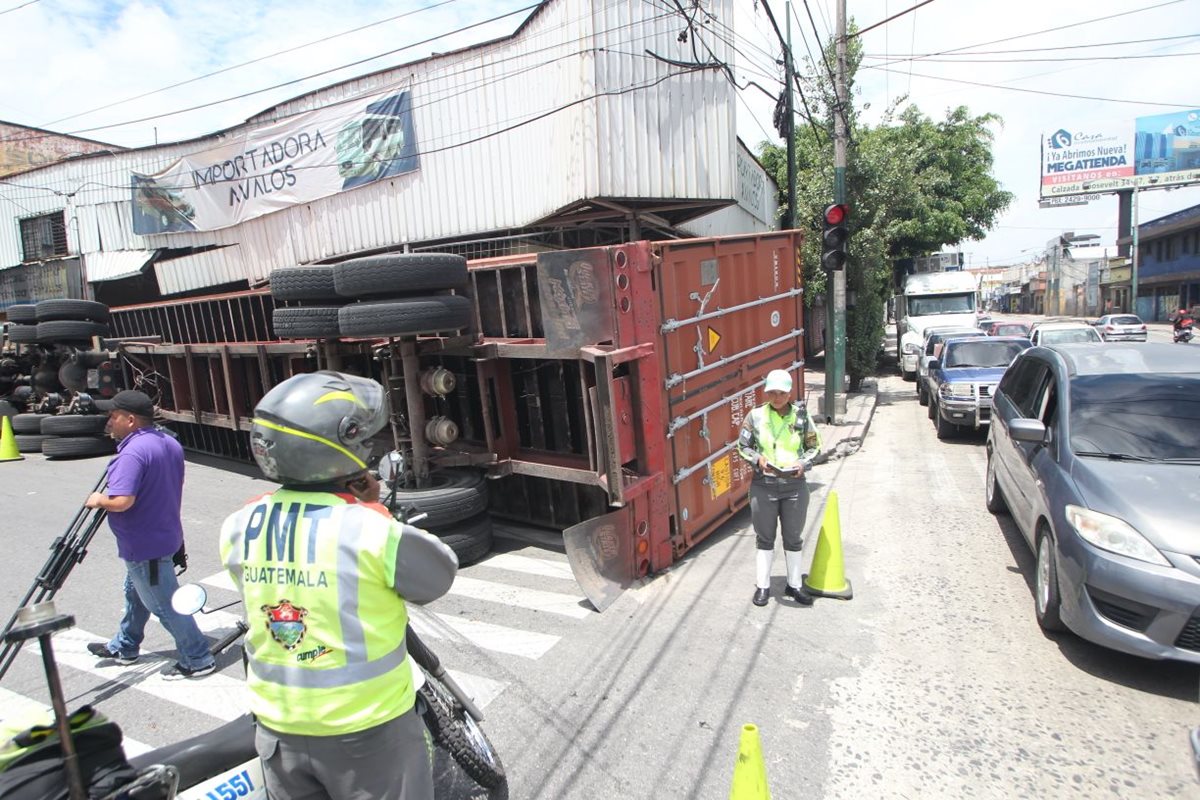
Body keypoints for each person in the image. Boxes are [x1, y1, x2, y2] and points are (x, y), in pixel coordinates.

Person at [219, 371, 458, 800]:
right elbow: (437, 577)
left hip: (278, 729)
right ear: (337, 444)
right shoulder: (366, 529)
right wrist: (374, 509)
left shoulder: (240, 523)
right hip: (368, 731)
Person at [84, 390, 215, 679]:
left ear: (130, 420)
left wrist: (99, 499)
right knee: (136, 595)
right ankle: (125, 645)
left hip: (145, 544)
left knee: (164, 604)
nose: (110, 421)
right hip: (165, 533)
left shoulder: (132, 452)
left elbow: (122, 501)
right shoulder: (168, 442)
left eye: (114, 416)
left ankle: (197, 658)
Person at [736, 369, 822, 607]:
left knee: (793, 538)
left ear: (789, 392)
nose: (777, 397)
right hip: (764, 485)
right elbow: (742, 445)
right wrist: (757, 459)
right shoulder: (755, 416)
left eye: (781, 392)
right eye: (772, 392)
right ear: (766, 393)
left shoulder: (801, 417)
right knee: (765, 538)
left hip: (794, 484)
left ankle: (794, 584)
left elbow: (815, 446)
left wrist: (803, 463)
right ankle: (763, 586)